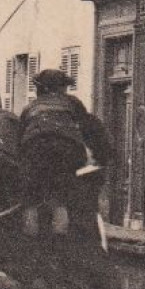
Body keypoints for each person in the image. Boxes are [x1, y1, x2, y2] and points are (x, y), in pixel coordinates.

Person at [17, 69, 112, 197]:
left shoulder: (30, 107)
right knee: (60, 199)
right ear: (62, 88)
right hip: (67, 149)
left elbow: (19, 135)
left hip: (34, 150)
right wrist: (100, 158)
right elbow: (91, 128)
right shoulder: (72, 102)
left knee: (32, 200)